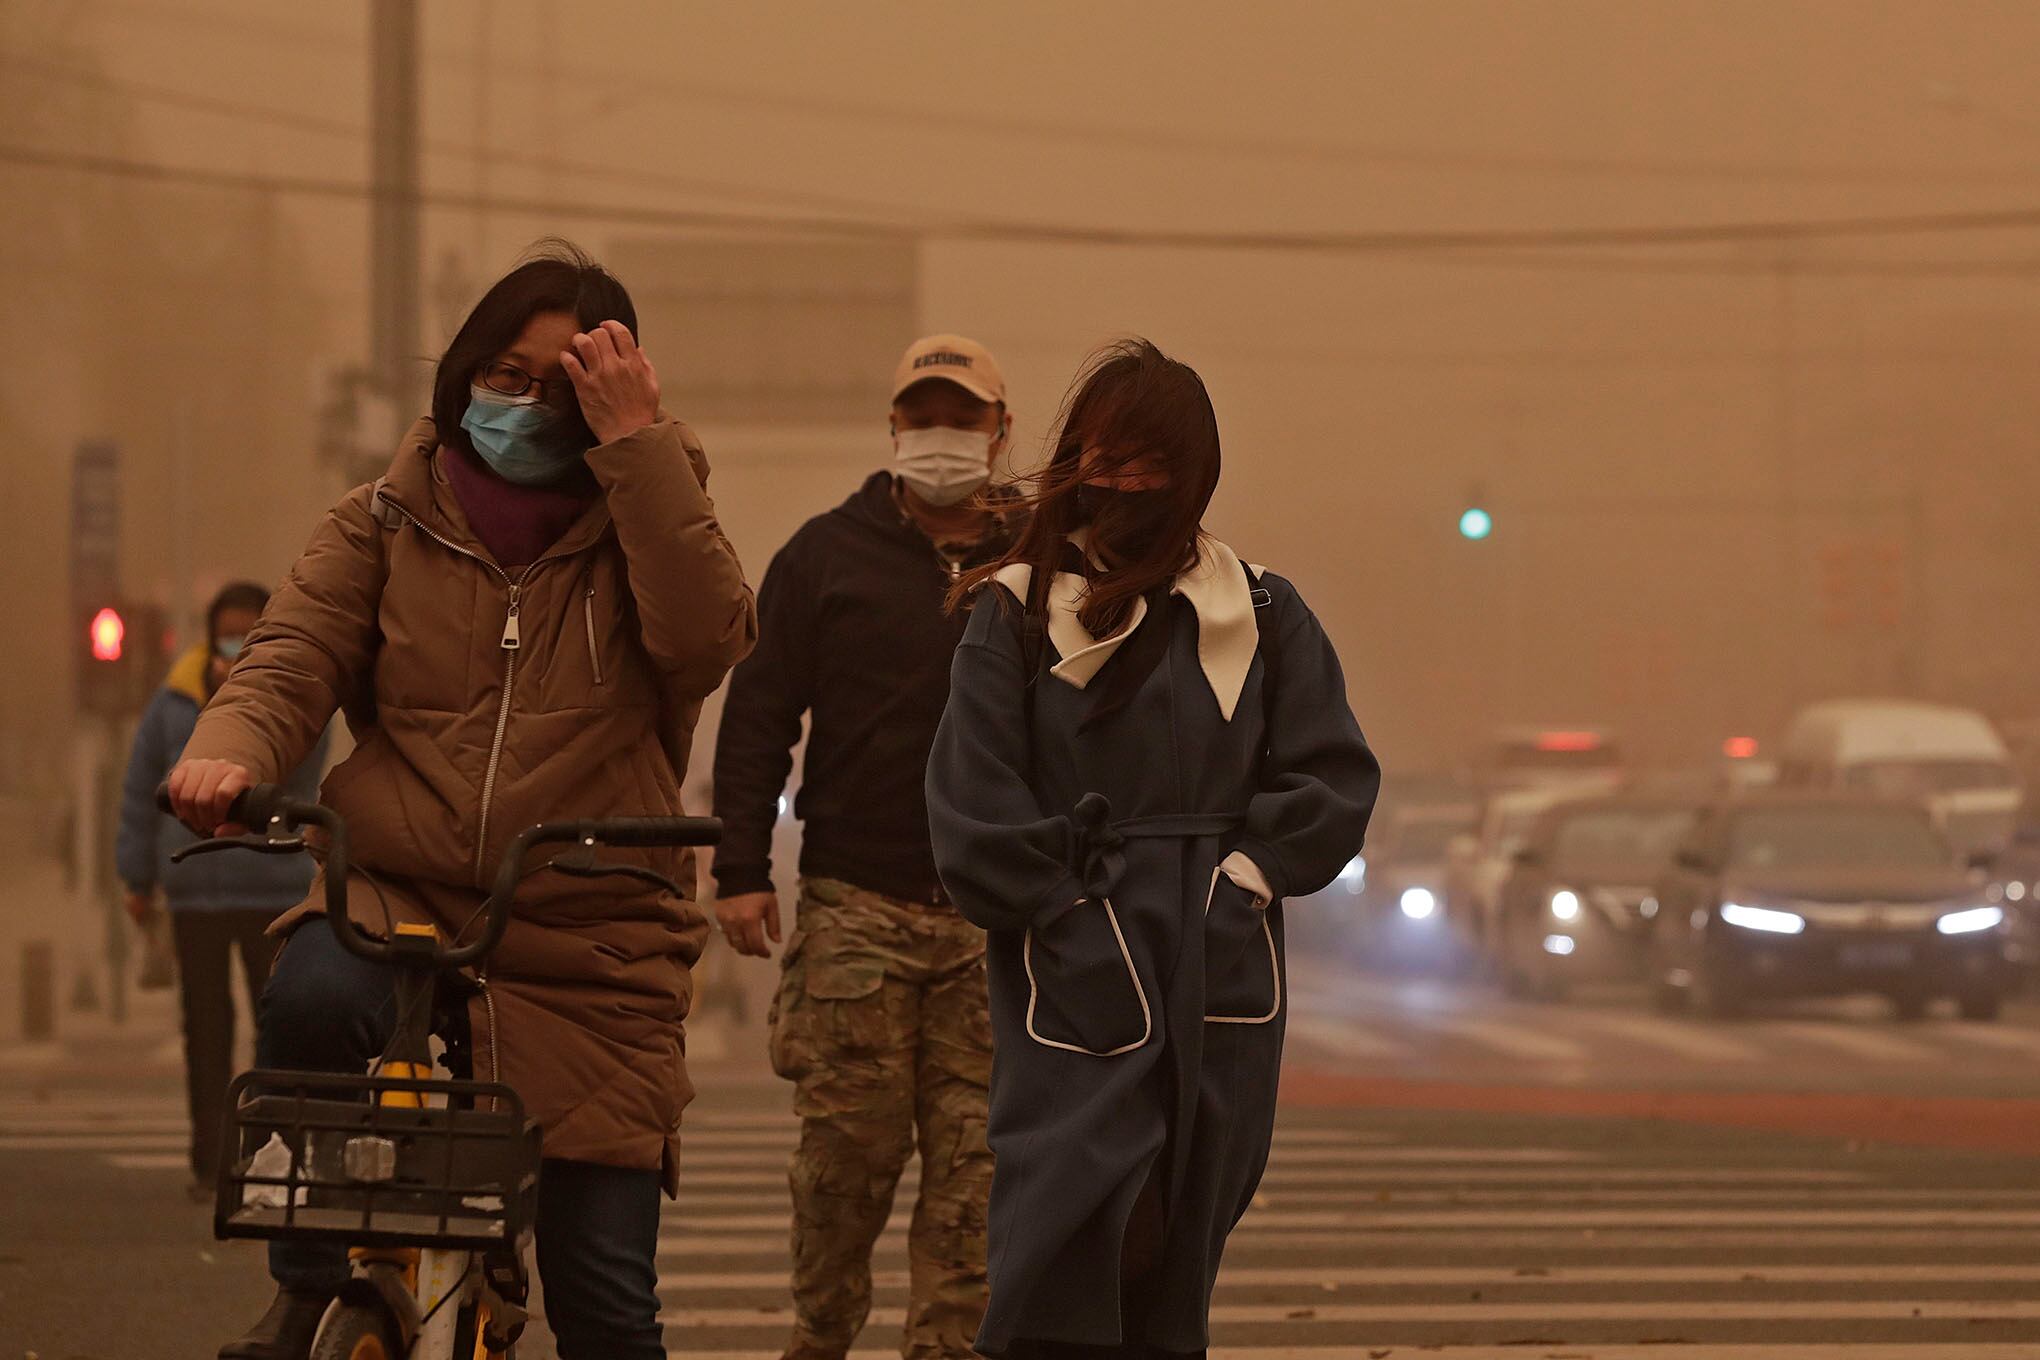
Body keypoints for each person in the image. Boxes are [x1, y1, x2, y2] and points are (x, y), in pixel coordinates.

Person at [164, 240, 757, 1360]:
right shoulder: (381, 518)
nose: (524, 403)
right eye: (503, 374)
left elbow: (707, 637)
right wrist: (227, 751)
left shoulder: (648, 517)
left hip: (595, 935)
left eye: (559, 382)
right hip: (402, 901)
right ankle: (310, 1287)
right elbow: (290, 656)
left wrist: (641, 446)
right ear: (461, 375)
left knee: (609, 1308)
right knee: (305, 996)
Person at [925, 339, 1380, 1360]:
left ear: (1197, 472)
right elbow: (972, 800)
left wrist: (1250, 880)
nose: (1126, 484)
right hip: (1081, 947)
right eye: (1106, 457)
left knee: (1183, 1223)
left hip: (1218, 947)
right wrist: (1065, 907)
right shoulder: (1012, 611)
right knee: (1072, 1219)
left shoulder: (1260, 611)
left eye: (1153, 465)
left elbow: (1333, 772)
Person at [712, 334, 1017, 1360]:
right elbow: (759, 714)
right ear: (893, 429)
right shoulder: (823, 554)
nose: (941, 436)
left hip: (996, 920)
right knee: (845, 1166)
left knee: (977, 1184)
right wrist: (743, 870)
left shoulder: (1044, 555)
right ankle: (820, 1337)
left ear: (999, 430)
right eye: (923, 415)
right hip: (856, 910)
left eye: (962, 417)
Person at [115, 581, 328, 1202]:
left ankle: (270, 1154)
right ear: (210, 635)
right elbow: (138, 796)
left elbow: (306, 772)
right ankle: (210, 1161)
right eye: (227, 631)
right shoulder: (172, 702)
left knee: (277, 1026)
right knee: (204, 1031)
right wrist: (136, 877)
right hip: (196, 892)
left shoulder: (285, 691)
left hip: (271, 886)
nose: (235, 641)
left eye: (247, 630)